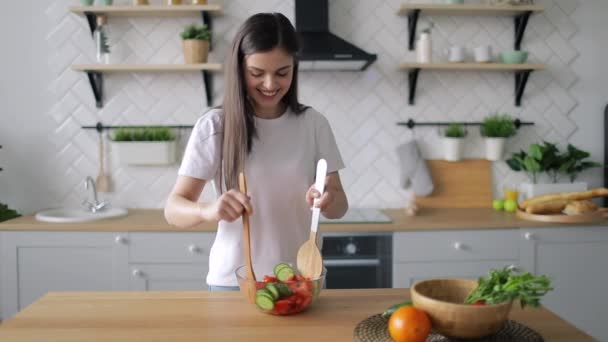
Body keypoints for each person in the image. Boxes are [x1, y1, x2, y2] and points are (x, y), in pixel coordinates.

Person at [164, 12, 348, 291]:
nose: (271, 84)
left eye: (282, 73)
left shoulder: (314, 124)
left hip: (301, 279)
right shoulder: (215, 126)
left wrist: (327, 199)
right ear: (239, 69)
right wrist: (208, 209)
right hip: (233, 282)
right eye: (257, 73)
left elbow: (340, 206)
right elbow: (173, 209)